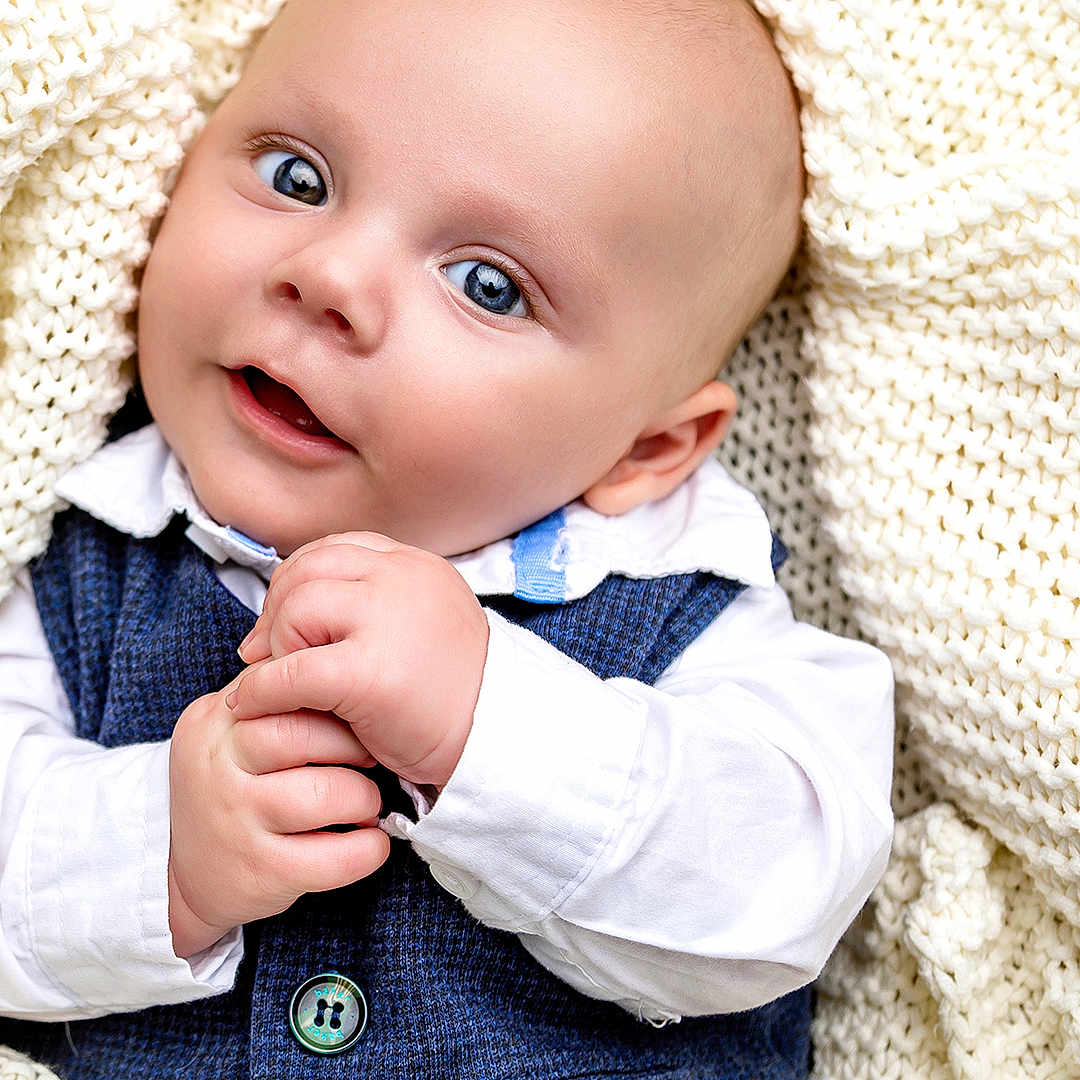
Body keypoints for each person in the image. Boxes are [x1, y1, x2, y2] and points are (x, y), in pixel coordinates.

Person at [0, 0, 894, 1076]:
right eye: (296, 176)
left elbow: (781, 898)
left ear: (644, 450)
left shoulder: (689, 605)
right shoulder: (81, 555)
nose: (328, 279)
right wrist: (166, 853)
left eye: (488, 285)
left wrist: (489, 727)